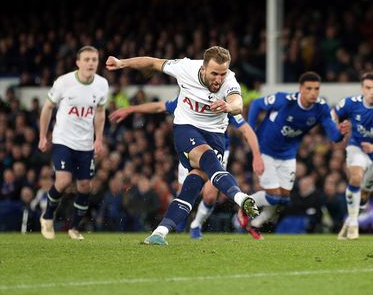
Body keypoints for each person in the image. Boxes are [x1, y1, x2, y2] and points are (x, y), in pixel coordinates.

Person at [105, 46, 259, 245]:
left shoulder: (229, 80)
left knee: (191, 188)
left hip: (215, 137)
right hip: (187, 129)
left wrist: (229, 106)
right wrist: (121, 63)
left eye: (222, 73)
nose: (219, 79)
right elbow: (153, 61)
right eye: (214, 74)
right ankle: (240, 198)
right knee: (207, 160)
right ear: (203, 68)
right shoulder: (185, 68)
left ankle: (159, 232)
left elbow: (237, 103)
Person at [109, 98, 263, 239]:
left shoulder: (221, 103)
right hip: (190, 150)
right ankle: (170, 229)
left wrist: (257, 155)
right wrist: (131, 109)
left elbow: (246, 130)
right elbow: (158, 107)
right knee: (185, 192)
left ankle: (196, 224)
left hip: (217, 150)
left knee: (209, 195)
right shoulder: (186, 100)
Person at [242, 71, 350, 239]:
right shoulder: (284, 100)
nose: (313, 92)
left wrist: (341, 133)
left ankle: (255, 224)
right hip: (266, 150)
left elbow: (334, 136)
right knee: (273, 196)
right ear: (301, 89)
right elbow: (256, 104)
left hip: (288, 155)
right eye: (309, 88)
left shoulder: (320, 108)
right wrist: (249, 131)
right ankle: (244, 205)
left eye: (316, 89)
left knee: (283, 199)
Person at [38, 45, 109, 240]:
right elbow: (47, 108)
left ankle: (74, 228)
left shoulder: (102, 84)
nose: (91, 63)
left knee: (85, 186)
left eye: (94, 59)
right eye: (86, 59)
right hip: (63, 140)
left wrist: (99, 139)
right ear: (78, 63)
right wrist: (43, 136)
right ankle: (47, 217)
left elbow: (100, 113)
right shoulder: (64, 82)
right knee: (63, 181)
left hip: (85, 144)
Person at [334, 72, 373, 240]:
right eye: (368, 88)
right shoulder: (350, 103)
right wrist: (338, 128)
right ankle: (354, 225)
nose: (372, 91)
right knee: (355, 177)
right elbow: (332, 114)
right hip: (358, 147)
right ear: (362, 89)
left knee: (364, 196)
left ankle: (349, 221)